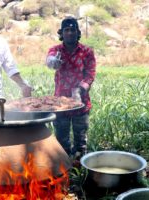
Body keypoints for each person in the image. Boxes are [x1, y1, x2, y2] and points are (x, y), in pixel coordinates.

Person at [46, 17, 96, 162]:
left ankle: (79, 170)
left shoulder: (87, 51)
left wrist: (81, 89)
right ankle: (64, 169)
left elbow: (91, 73)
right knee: (62, 140)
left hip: (81, 101)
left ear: (77, 32)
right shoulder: (56, 50)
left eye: (72, 30)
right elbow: (49, 61)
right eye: (66, 30)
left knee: (81, 141)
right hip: (60, 104)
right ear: (61, 33)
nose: (69, 33)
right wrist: (53, 62)